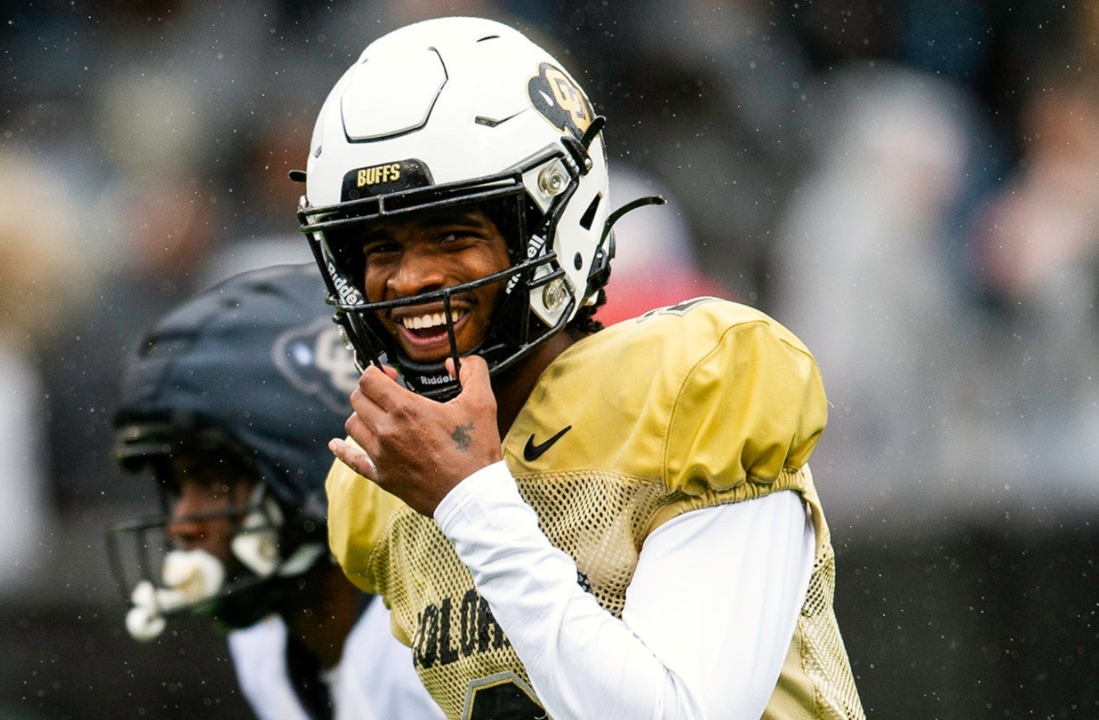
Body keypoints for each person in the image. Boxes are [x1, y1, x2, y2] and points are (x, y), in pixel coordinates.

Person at [295, 17, 865, 719]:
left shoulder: (687, 393)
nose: (409, 279)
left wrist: (472, 501)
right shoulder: (385, 481)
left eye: (451, 233)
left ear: (551, 225)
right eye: (377, 248)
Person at [107, 264, 446, 720]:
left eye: (213, 481)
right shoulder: (266, 647)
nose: (181, 523)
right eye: (177, 485)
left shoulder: (436, 642)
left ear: (308, 466)